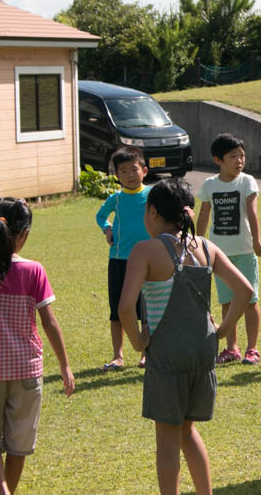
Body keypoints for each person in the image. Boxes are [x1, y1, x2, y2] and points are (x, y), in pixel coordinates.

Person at [119, 178, 253, 495]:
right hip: (202, 351)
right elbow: (245, 291)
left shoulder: (145, 250)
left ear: (152, 212)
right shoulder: (205, 245)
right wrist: (221, 330)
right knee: (188, 432)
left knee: (167, 439)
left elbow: (125, 306)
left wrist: (138, 342)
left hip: (167, 352)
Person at [0, 198, 74, 495]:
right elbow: (50, 323)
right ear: (24, 234)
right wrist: (65, 366)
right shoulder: (33, 270)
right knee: (19, 445)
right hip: (26, 370)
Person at [196, 133, 261, 366]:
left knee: (249, 300)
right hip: (220, 255)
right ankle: (232, 348)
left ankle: (252, 349)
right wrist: (197, 244)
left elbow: (252, 211)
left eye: (242, 156)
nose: (239, 161)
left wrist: (257, 242)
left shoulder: (247, 181)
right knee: (227, 302)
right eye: (233, 156)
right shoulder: (209, 185)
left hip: (245, 252)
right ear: (218, 160)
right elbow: (204, 214)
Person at [95, 147, 150, 371]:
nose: (129, 175)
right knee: (117, 309)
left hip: (146, 260)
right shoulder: (115, 199)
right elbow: (100, 216)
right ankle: (118, 356)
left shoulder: (151, 194)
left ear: (144, 170)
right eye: (123, 171)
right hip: (119, 259)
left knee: (146, 310)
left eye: (133, 169)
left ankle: (147, 353)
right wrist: (107, 229)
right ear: (117, 175)